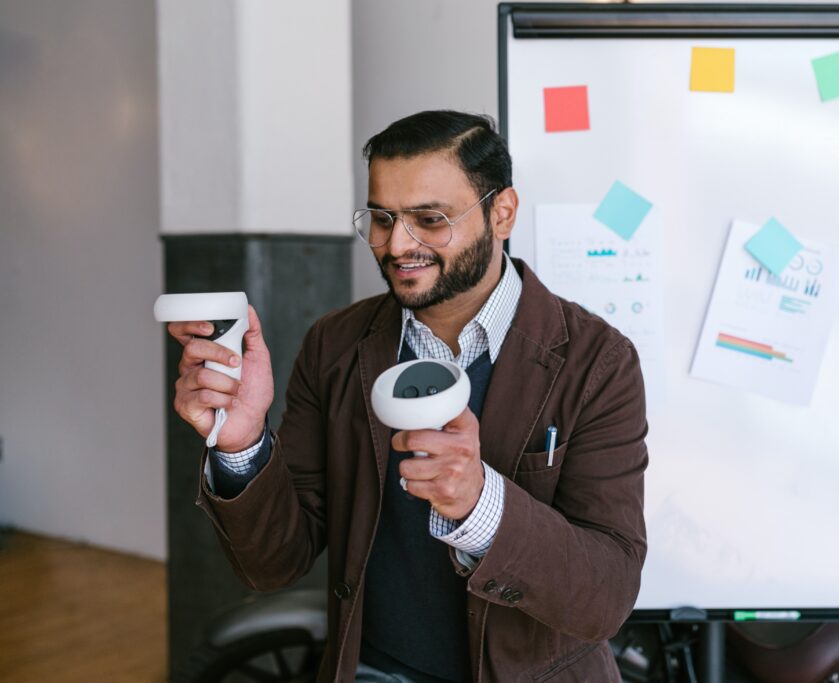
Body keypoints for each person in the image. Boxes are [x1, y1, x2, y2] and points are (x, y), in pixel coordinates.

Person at [165, 110, 648, 683]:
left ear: (502, 212)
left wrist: (480, 502)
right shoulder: (335, 344)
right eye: (382, 217)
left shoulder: (597, 362)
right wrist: (243, 443)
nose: (397, 244)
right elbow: (275, 563)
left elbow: (607, 595)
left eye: (430, 218)